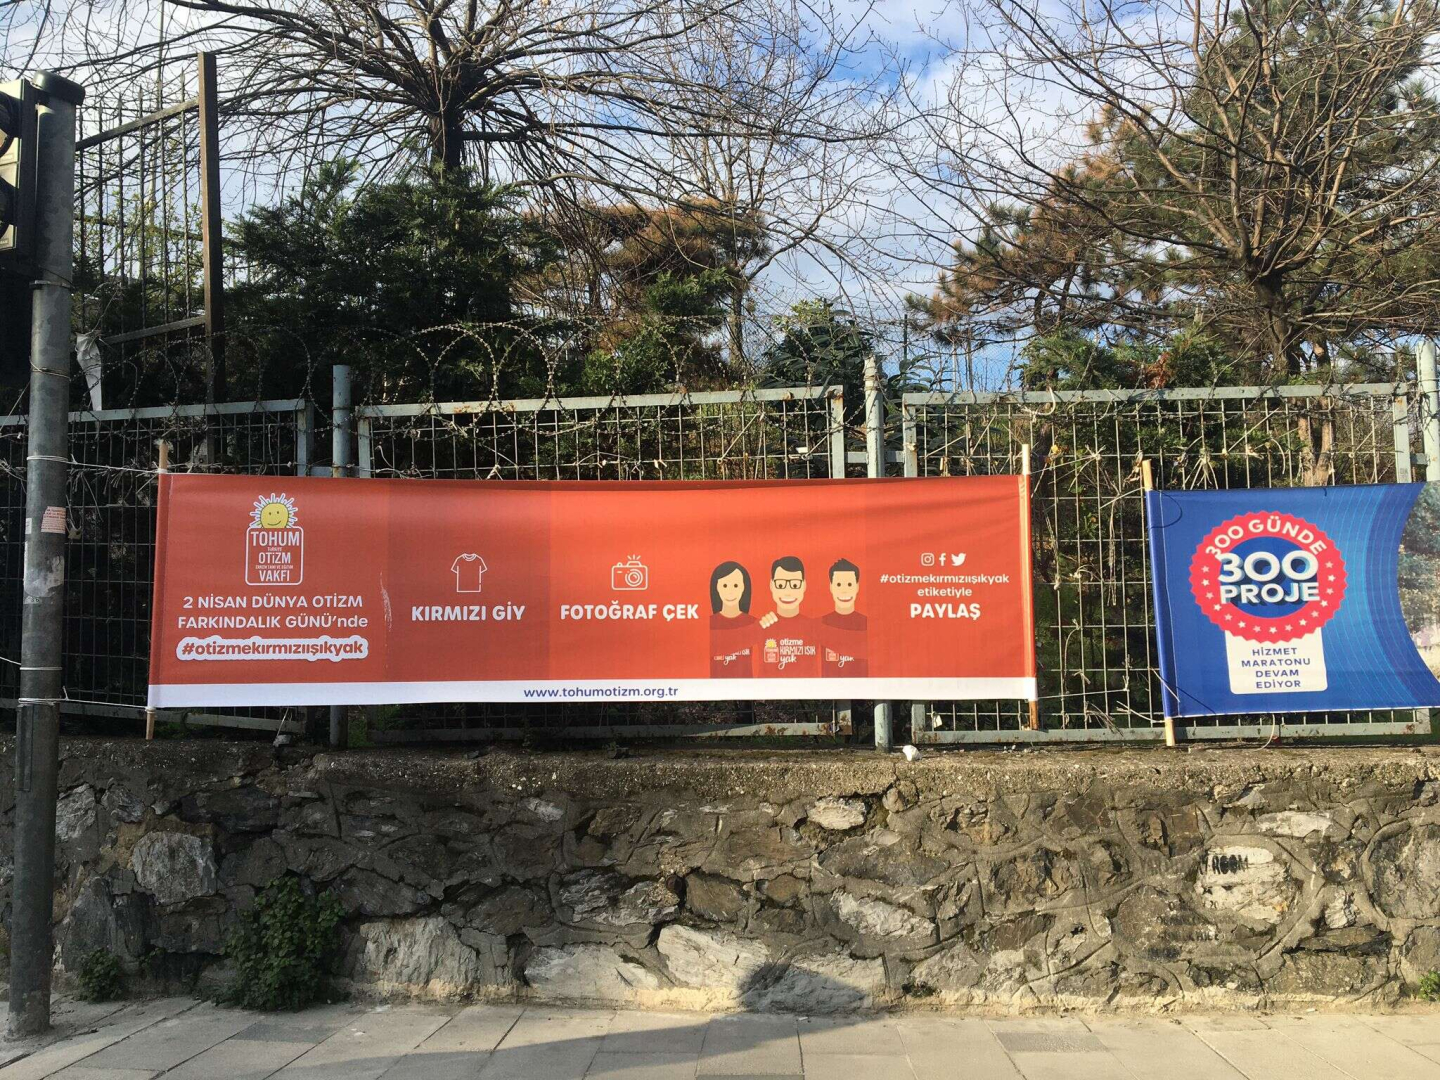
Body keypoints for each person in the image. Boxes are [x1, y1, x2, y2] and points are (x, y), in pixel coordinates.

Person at [755, 556, 822, 676]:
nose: (788, 592)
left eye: (795, 585)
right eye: (781, 585)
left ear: (804, 585)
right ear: (771, 585)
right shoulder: (761, 626)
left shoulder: (814, 627)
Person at [708, 561, 757, 677]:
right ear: (717, 588)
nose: (730, 592)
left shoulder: (754, 623)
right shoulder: (708, 624)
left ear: (743, 587)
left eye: (735, 586)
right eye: (725, 586)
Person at [821, 558, 868, 676]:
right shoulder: (821, 623)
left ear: (857, 587)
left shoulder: (867, 624)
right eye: (838, 585)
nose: (844, 591)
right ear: (831, 587)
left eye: (849, 584)